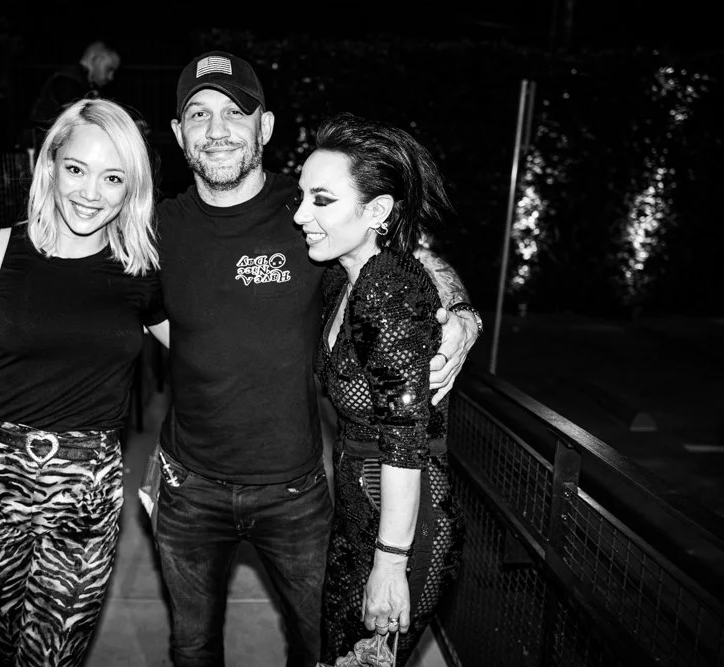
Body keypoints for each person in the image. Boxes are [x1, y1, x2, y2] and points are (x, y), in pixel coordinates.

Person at [151, 50, 481, 667]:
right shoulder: (154, 227)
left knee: (321, 645)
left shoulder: (306, 209)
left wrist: (463, 316)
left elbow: (417, 258)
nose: (216, 128)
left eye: (234, 112)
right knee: (191, 647)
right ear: (178, 134)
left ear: (265, 128)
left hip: (298, 492)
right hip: (188, 488)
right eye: (198, 114)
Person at [0, 97, 168, 666]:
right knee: (4, 646)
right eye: (76, 169)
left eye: (113, 177)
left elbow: (217, 353)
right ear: (49, 164)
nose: (91, 192)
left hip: (86, 492)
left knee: (49, 657)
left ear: (130, 188)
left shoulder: (141, 270)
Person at [294, 112, 464, 666]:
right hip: (362, 519)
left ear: (377, 212)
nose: (301, 215)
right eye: (302, 196)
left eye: (322, 200)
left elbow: (405, 440)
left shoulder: (387, 288)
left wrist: (390, 564)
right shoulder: (347, 275)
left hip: (402, 534)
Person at [29, 40, 121, 154]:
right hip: (46, 147)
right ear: (94, 59)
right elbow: (76, 118)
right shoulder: (68, 80)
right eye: (109, 69)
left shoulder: (84, 82)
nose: (110, 77)